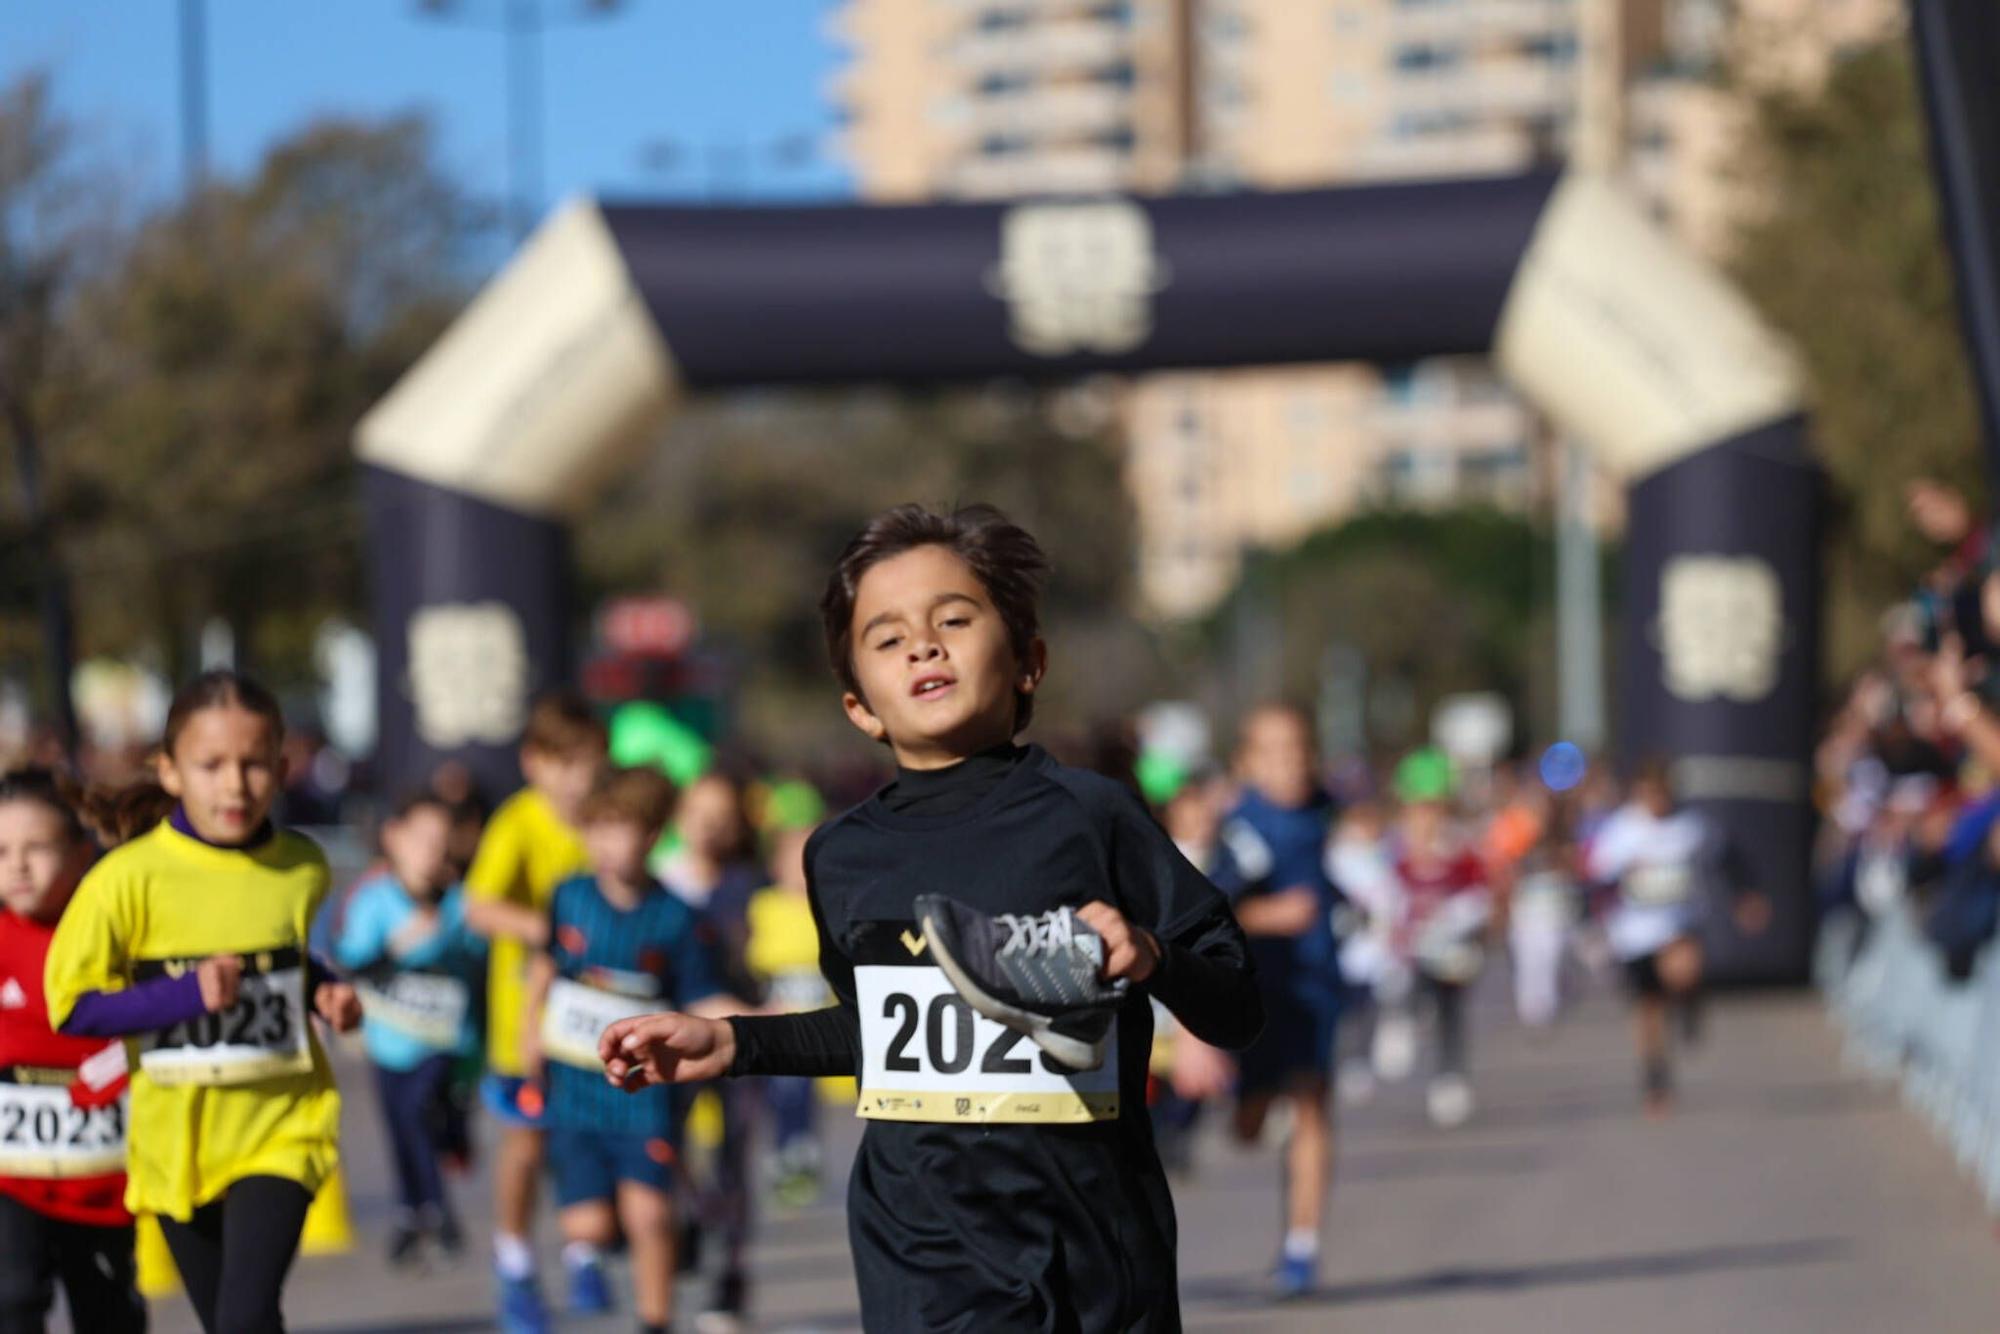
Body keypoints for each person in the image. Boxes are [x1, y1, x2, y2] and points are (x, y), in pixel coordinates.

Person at [600, 503, 1263, 1332]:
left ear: (1028, 662)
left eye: (953, 618)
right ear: (860, 708)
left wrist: (1154, 956)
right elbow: (874, 1035)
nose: (923, 644)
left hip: (1092, 1250)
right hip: (920, 1258)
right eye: (887, 637)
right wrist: (734, 1040)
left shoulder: (1092, 816)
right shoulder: (840, 856)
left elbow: (1237, 1005)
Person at [44, 671, 362, 1334]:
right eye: (211, 765)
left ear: (281, 766)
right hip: (177, 1139)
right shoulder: (126, 879)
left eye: (252, 764)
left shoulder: (302, 865)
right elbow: (70, 1007)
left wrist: (324, 988)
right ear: (169, 771)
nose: (234, 784)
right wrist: (183, 996)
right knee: (231, 1324)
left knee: (244, 1319)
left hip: (282, 1125)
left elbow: (288, 962)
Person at [523, 768, 727, 1334]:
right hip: (575, 1088)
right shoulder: (570, 897)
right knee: (588, 1224)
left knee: (650, 1213)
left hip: (643, 1095)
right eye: (599, 830)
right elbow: (544, 969)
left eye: (624, 830)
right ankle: (587, 1252)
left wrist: (756, 1021)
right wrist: (527, 1041)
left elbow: (703, 996)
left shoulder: (677, 918)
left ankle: (655, 1320)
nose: (609, 845)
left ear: (654, 836)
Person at [461, 690, 607, 1333]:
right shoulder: (518, 822)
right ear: (534, 763)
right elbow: (479, 907)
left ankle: (584, 1253)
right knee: (525, 1147)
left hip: (590, 1028)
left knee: (588, 1144)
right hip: (522, 1029)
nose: (580, 779)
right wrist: (553, 928)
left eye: (591, 764)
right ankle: (515, 1260)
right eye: (566, 763)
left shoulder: (606, 820)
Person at [0, 769, 146, 1334]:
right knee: (11, 1301)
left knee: (107, 1314)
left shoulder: (115, 935)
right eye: (3, 849)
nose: (17, 865)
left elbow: (149, 1022)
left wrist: (105, 1071)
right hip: (12, 1178)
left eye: (36, 848)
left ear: (82, 854)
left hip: (103, 1180)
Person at [1219, 702, 1341, 1296]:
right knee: (1249, 1125)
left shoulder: (1323, 811)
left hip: (1316, 987)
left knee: (1314, 1104)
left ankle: (1302, 1248)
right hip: (1260, 991)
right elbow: (1213, 910)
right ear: (1246, 763)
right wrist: (1270, 914)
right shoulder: (1243, 827)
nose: (1290, 763)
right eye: (1274, 752)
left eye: (1298, 749)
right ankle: (1253, 1106)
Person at [335, 792, 484, 1267]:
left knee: (422, 1114)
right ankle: (411, 1210)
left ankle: (437, 1207)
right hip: (389, 1041)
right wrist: (399, 946)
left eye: (442, 842)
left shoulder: (462, 903)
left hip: (444, 1042)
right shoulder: (375, 900)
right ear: (393, 839)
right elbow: (351, 962)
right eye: (421, 840)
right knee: (400, 1126)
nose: (432, 851)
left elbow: (483, 959)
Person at [1587, 761, 1766, 1114]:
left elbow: (1728, 857)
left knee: (1683, 970)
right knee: (1648, 1010)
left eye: (1661, 793)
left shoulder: (1692, 827)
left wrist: (1745, 896)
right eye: (1648, 794)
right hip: (1635, 933)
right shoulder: (1621, 831)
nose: (1655, 801)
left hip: (1679, 922)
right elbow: (1595, 877)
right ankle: (1655, 1079)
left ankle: (1688, 1003)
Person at [652, 771, 764, 1327]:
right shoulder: (662, 884)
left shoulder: (752, 885)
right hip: (677, 1043)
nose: (711, 827)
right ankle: (694, 1217)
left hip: (742, 1040)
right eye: (700, 814)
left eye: (723, 816)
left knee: (735, 1159)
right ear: (678, 820)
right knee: (669, 1149)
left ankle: (730, 1276)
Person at [1387, 750, 1492, 1129]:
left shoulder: (1461, 848)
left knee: (1451, 1010)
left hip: (1452, 948)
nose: (1426, 816)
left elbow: (1481, 896)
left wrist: (1455, 919)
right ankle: (1401, 1020)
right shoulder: (1393, 848)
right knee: (1410, 989)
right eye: (1418, 807)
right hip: (1409, 951)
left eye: (1434, 807)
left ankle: (1451, 1077)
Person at [743, 823, 829, 1207]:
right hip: (774, 1021)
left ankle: (801, 1156)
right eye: (793, 861)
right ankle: (784, 1156)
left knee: (802, 1097)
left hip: (822, 1028)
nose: (801, 870)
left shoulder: (828, 906)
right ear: (775, 865)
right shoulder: (763, 907)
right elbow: (753, 956)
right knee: (780, 1096)